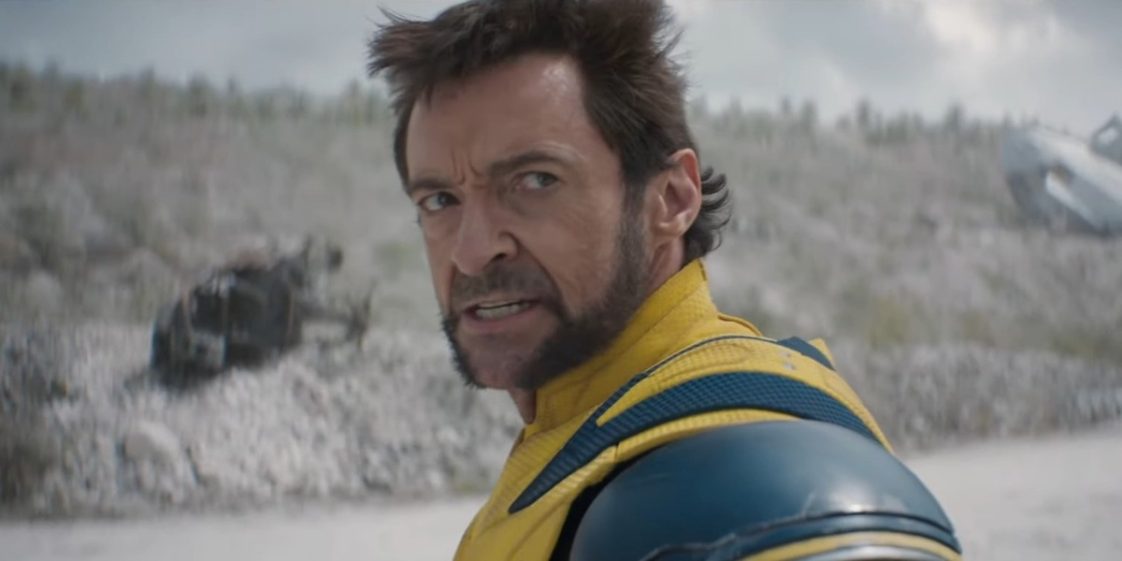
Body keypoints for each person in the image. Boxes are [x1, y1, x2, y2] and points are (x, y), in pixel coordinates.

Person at [367, 1, 961, 559]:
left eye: (536, 181)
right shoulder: (586, 435)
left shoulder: (749, 487)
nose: (472, 253)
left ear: (672, 198)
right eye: (440, 200)